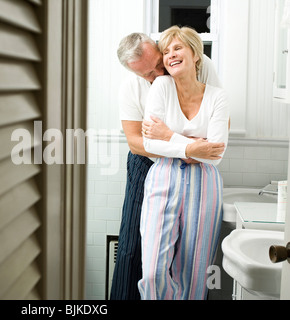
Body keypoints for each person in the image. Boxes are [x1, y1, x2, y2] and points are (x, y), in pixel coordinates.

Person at [110, 32, 221, 300]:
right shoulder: (131, 87)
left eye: (159, 64)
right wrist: (186, 146)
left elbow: (218, 129)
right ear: (136, 73)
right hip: (146, 162)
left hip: (193, 165)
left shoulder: (201, 65)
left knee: (190, 254)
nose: (159, 74)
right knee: (133, 247)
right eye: (148, 73)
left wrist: (179, 145)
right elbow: (136, 142)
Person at [138, 26, 229, 300]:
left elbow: (216, 152)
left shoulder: (217, 96)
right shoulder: (161, 87)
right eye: (165, 51)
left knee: (195, 271)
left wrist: (170, 137)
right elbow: (150, 144)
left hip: (205, 182)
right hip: (163, 178)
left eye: (177, 48)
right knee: (153, 270)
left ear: (195, 53)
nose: (170, 55)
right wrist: (191, 146)